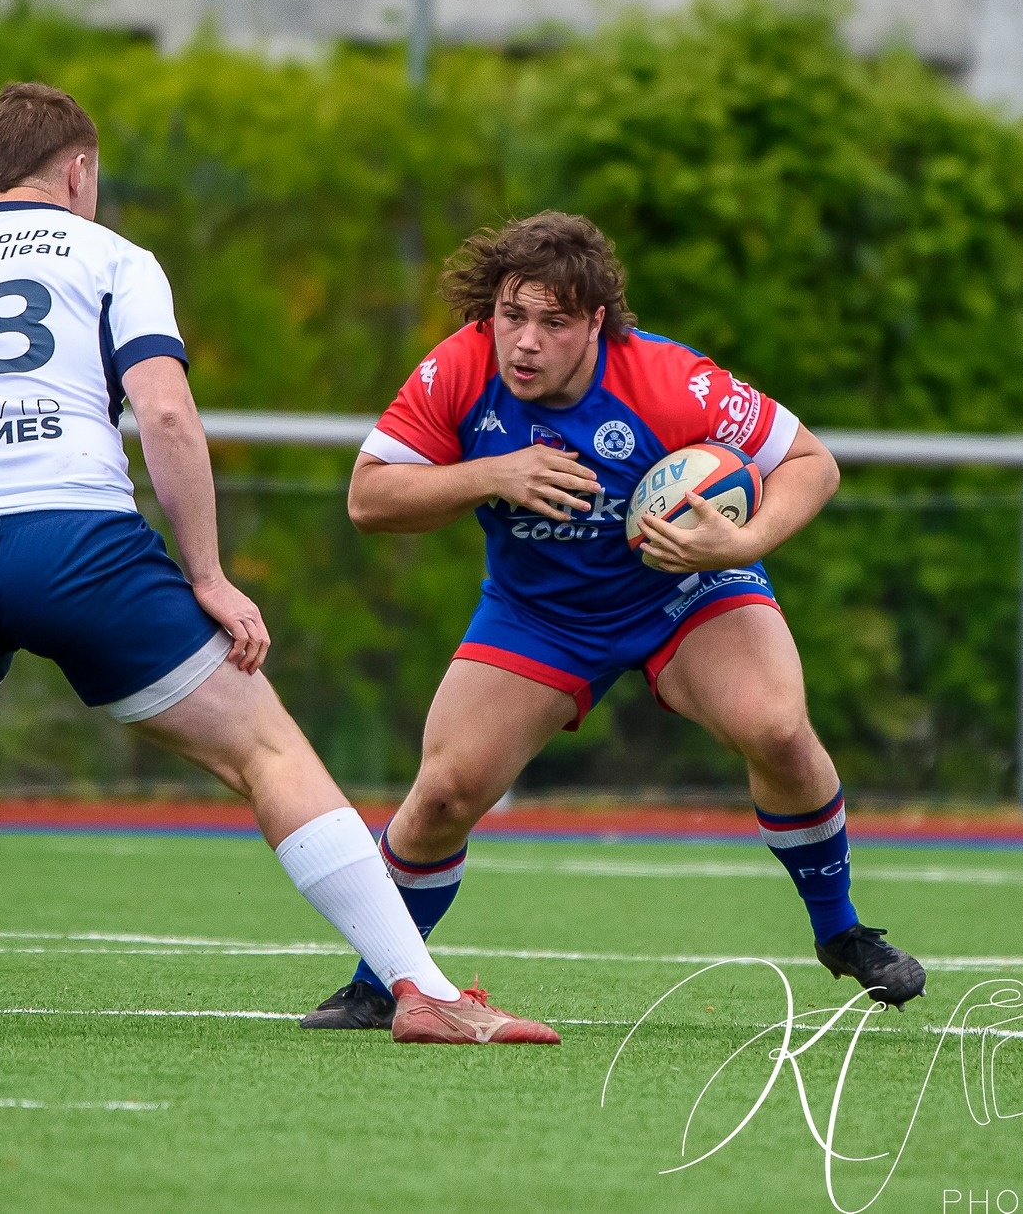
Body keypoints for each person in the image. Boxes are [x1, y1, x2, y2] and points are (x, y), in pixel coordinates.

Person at [0, 82, 554, 1045]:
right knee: (266, 751)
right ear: (81, 172)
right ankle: (420, 989)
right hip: (73, 543)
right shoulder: (112, 256)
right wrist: (211, 577)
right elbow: (167, 415)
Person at [299, 211, 925, 1031]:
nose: (522, 342)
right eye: (510, 315)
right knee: (444, 792)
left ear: (595, 321)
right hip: (539, 613)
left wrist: (740, 540)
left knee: (775, 727)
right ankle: (380, 980)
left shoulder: (672, 382)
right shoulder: (458, 368)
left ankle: (841, 931)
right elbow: (368, 498)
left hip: (685, 596)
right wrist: (492, 472)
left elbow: (813, 462)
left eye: (552, 323)